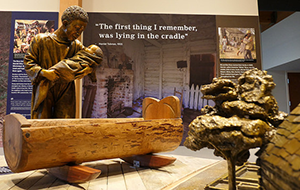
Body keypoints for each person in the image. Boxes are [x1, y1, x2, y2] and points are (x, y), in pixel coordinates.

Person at [24, 5, 97, 119]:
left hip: (66, 90)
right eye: (77, 28)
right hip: (45, 88)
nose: (78, 33)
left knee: (65, 125)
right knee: (41, 124)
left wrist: (88, 70)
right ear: (65, 23)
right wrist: (43, 73)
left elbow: (88, 60)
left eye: (82, 31)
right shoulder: (41, 40)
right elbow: (29, 62)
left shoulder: (76, 46)